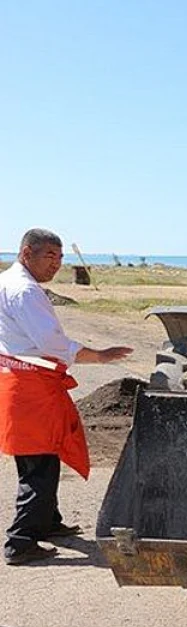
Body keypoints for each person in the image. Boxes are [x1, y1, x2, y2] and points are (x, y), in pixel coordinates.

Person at [0, 228, 132, 565]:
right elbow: (51, 345)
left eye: (60, 258)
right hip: (30, 387)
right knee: (39, 464)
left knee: (40, 456)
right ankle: (21, 541)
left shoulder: (9, 282)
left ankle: (48, 521)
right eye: (50, 257)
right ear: (27, 253)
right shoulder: (25, 291)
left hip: (23, 381)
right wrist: (98, 355)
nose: (56, 265)